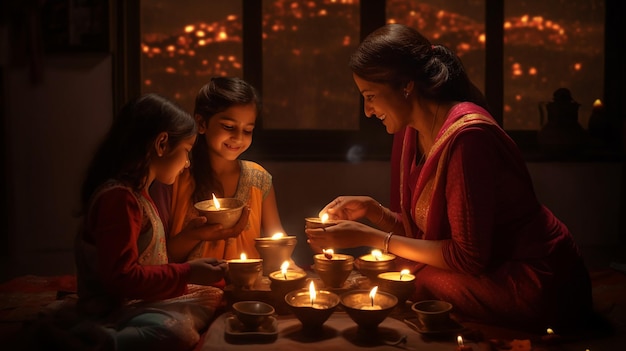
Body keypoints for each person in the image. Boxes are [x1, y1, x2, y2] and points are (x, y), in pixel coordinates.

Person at [305, 23, 593, 333]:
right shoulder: (409, 132)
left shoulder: (468, 139)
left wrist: (369, 237)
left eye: (371, 96)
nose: (368, 111)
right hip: (483, 266)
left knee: (410, 281)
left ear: (406, 85)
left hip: (530, 274)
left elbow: (467, 258)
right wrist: (373, 212)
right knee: (400, 274)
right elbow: (425, 237)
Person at [73, 93, 249, 350]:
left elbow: (150, 260)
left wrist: (193, 265)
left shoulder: (139, 194)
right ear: (162, 143)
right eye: (187, 151)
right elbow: (121, 279)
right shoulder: (118, 199)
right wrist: (188, 272)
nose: (188, 163)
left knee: (212, 295)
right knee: (177, 334)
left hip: (138, 301)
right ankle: (101, 341)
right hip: (114, 307)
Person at [151, 77, 287, 263]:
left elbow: (277, 243)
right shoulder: (175, 176)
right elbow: (159, 256)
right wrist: (196, 235)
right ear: (201, 123)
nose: (238, 138)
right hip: (189, 288)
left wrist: (287, 263)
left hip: (246, 287)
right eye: (228, 127)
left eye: (247, 130)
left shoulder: (259, 179)